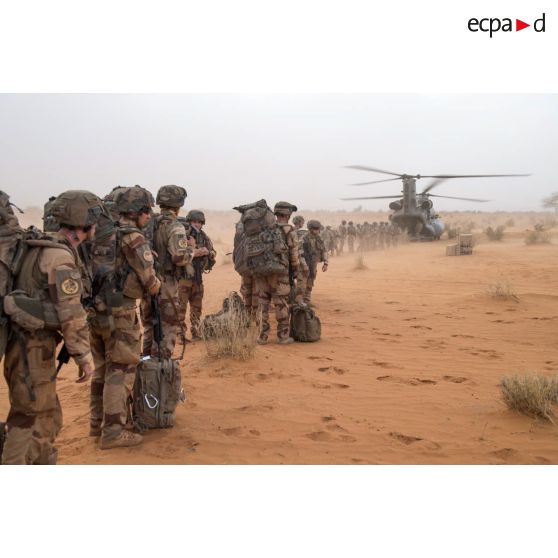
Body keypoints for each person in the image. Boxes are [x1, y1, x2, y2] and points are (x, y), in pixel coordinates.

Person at [2, 190, 102, 464]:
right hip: (32, 350)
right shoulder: (59, 258)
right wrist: (84, 358)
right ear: (84, 222)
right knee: (31, 421)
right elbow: (71, 314)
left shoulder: (37, 244)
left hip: (21, 347)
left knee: (47, 416)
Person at [88, 185, 161, 450]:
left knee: (101, 370)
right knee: (121, 371)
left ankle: (97, 425)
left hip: (94, 313)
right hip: (121, 315)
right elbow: (149, 281)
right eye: (146, 211)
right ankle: (114, 431)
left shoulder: (99, 234)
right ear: (137, 212)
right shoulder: (133, 237)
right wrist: (156, 285)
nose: (149, 216)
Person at [141, 185, 200, 358]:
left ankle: (145, 368)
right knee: (167, 327)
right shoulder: (175, 226)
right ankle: (161, 372)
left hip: (147, 280)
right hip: (165, 284)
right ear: (179, 204)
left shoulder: (148, 222)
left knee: (149, 327)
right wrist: (192, 249)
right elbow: (179, 258)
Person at [255, 201, 299, 345]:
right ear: (288, 214)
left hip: (261, 272)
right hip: (280, 273)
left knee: (263, 304)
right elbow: (294, 255)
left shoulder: (263, 229)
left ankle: (262, 336)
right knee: (281, 304)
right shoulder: (289, 230)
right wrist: (296, 273)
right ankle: (283, 336)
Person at [177, 210, 215, 341]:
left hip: (198, 278)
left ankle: (196, 332)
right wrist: (199, 251)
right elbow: (180, 253)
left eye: (199, 222)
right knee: (180, 308)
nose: (197, 225)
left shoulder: (203, 236)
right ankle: (181, 335)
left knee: (196, 308)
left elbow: (211, 250)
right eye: (194, 222)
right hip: (184, 278)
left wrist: (210, 253)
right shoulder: (183, 235)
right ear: (189, 222)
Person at [301, 219, 328, 305]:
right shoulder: (304, 239)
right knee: (302, 284)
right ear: (310, 229)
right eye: (315, 229)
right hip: (303, 265)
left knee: (310, 282)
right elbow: (299, 253)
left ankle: (307, 301)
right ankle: (300, 302)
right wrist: (304, 265)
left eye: (318, 229)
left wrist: (326, 263)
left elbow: (324, 250)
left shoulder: (319, 239)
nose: (317, 230)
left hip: (313, 264)